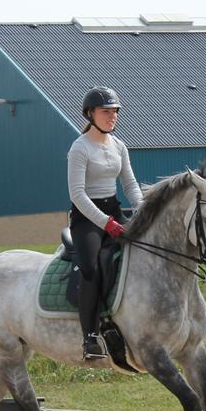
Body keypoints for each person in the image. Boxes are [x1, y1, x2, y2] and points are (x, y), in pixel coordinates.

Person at [67, 86, 144, 359]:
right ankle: (89, 337)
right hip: (87, 217)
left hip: (113, 208)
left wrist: (143, 209)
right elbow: (77, 194)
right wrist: (106, 223)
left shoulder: (119, 146)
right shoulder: (80, 148)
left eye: (115, 112)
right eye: (106, 112)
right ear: (90, 114)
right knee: (90, 267)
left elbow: (130, 184)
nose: (112, 117)